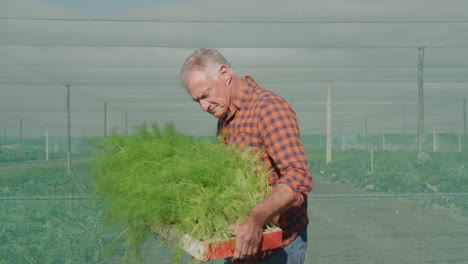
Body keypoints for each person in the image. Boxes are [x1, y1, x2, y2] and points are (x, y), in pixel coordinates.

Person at [180, 49, 313, 264]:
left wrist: (255, 219)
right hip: (242, 244)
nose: (204, 107)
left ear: (224, 73)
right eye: (198, 101)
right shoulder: (225, 116)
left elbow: (299, 176)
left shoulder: (269, 109)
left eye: (205, 95)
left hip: (278, 248)